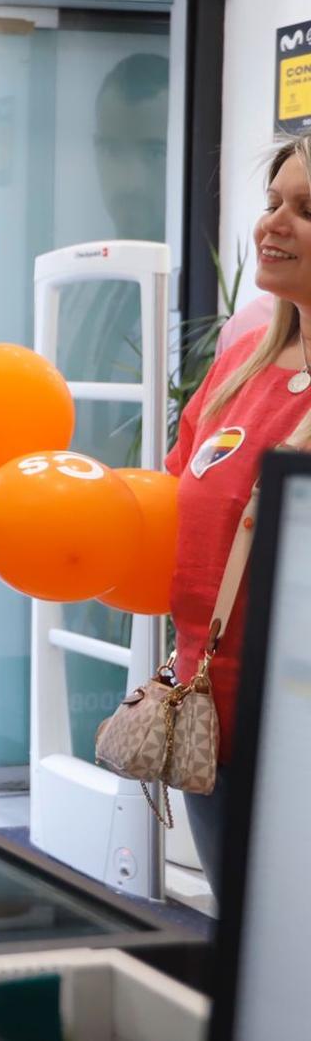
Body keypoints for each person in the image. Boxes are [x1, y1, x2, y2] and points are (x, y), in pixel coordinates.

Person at [167, 135, 311, 888]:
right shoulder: (240, 364)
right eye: (272, 203)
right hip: (208, 719)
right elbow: (167, 504)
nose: (273, 225)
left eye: (307, 210)